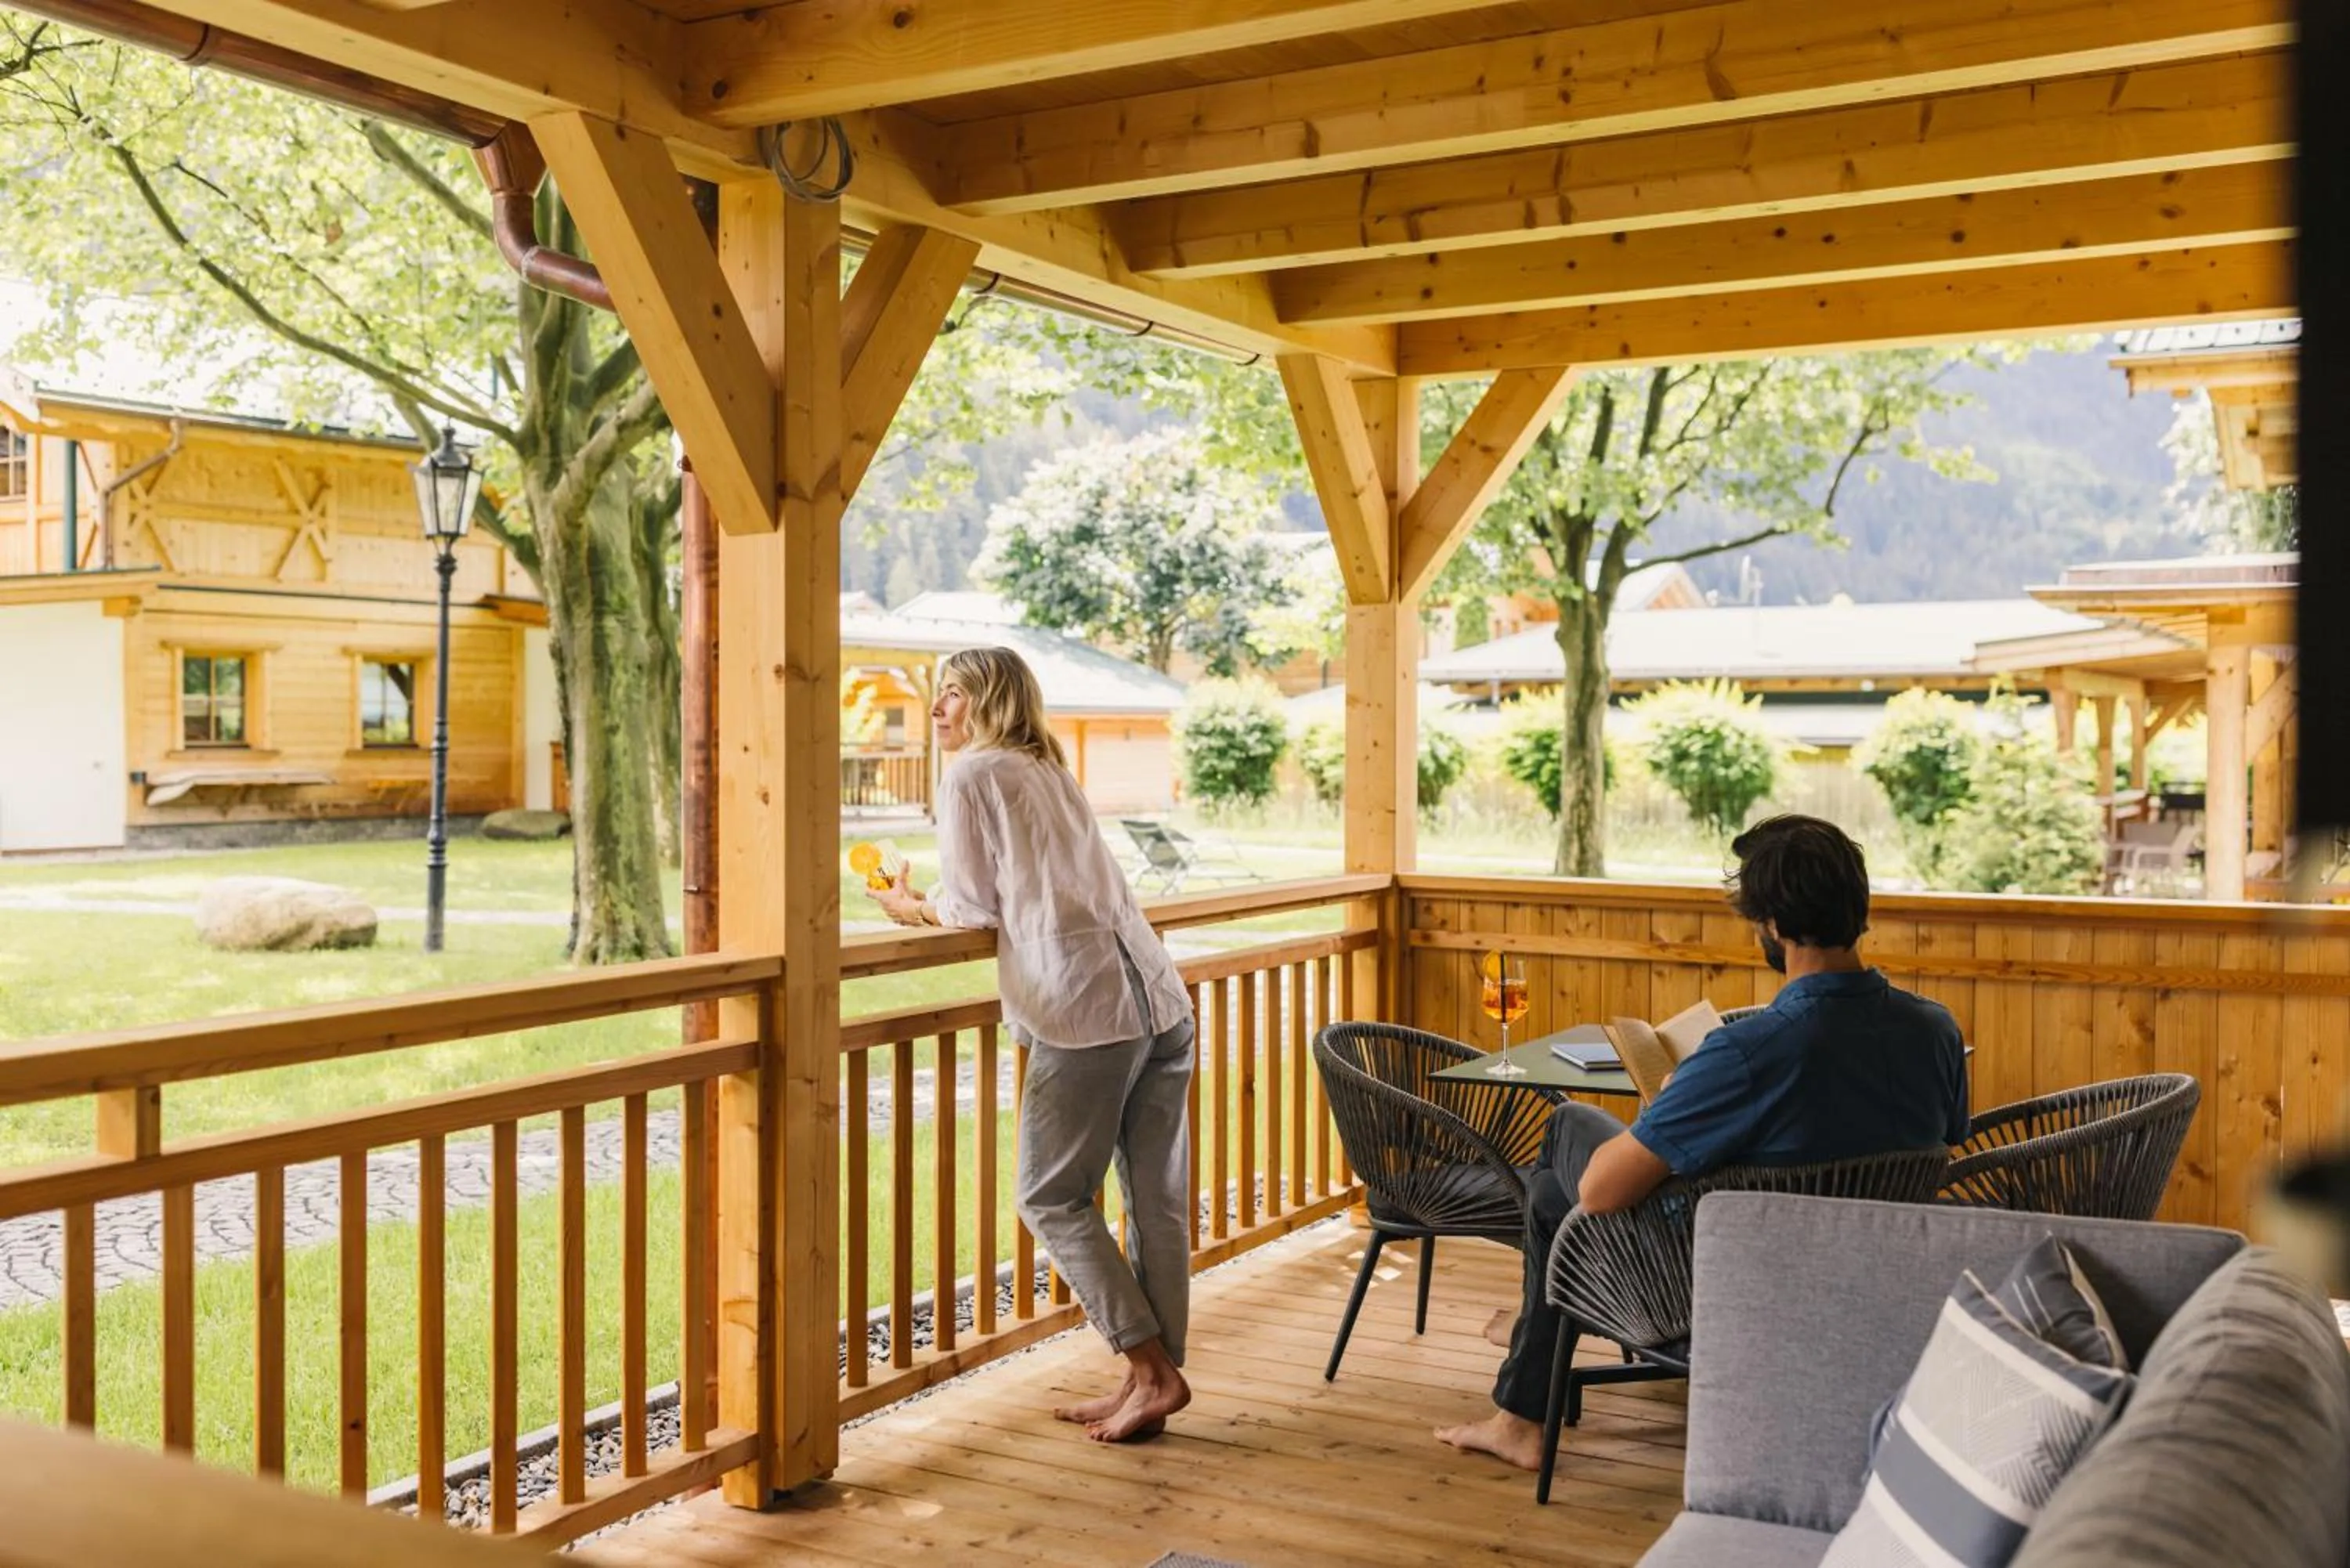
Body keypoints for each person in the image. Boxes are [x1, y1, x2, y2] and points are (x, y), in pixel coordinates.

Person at [1436, 814, 1969, 1471]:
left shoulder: (1752, 1052)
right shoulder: (1936, 1030)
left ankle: (1523, 1398)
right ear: (1857, 909)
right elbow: (1942, 1141)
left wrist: (1676, 1114)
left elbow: (1602, 1194)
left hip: (1717, 1274)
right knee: (1558, 1188)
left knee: (1563, 1150)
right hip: (1865, 1276)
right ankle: (1527, 1348)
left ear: (1771, 925)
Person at [871, 645, 1197, 1443]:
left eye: (953, 695)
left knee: (1049, 1196)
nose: (939, 710)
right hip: (1157, 997)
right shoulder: (1046, 764)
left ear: (988, 703)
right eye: (937, 694)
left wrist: (909, 906)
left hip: (1086, 1012)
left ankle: (1154, 1372)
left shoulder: (973, 774)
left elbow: (974, 908)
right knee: (1154, 1202)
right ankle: (1147, 1377)